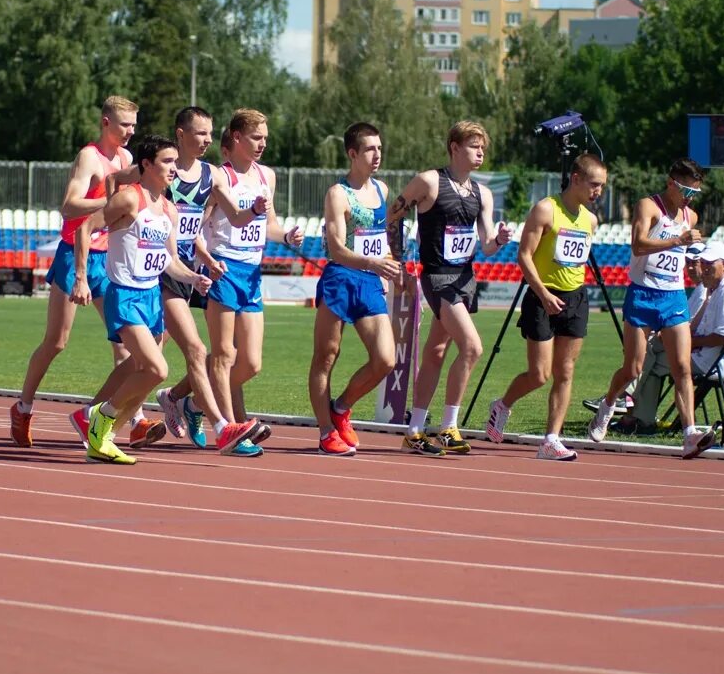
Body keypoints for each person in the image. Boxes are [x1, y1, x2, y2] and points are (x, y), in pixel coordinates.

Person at [74, 136, 222, 465]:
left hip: (151, 296)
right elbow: (85, 229)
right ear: (146, 165)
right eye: (167, 162)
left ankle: (101, 435)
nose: (173, 168)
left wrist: (193, 277)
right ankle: (101, 416)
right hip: (124, 294)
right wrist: (81, 277)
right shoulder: (129, 199)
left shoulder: (168, 207)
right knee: (157, 369)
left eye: (174, 162)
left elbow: (169, 260)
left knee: (143, 369)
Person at [11, 96, 140, 446]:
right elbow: (68, 206)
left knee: (126, 342)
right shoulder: (90, 157)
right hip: (75, 256)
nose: (130, 131)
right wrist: (111, 202)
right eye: (124, 124)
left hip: (109, 258)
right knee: (57, 341)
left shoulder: (127, 159)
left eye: (134, 125)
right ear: (106, 123)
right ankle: (23, 406)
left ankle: (135, 418)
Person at [150, 106, 268, 454]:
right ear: (181, 134)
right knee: (169, 355)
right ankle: (226, 428)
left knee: (159, 358)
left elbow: (231, 218)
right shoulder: (164, 174)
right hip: (158, 268)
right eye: (200, 133)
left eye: (209, 133)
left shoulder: (212, 175)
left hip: (188, 271)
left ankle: (169, 404)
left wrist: (257, 211)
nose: (206, 140)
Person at [394, 121, 514, 456]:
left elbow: (487, 245)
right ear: (454, 147)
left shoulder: (482, 193)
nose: (480, 153)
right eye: (474, 146)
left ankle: (415, 430)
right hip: (436, 277)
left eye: (483, 148)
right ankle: (448, 426)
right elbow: (394, 214)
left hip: (464, 279)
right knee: (473, 347)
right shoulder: (429, 181)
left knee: (435, 352)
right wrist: (399, 262)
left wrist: (499, 241)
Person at [482, 153, 609, 460]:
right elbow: (524, 256)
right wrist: (543, 293)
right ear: (576, 179)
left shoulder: (590, 220)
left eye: (603, 187)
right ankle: (502, 405)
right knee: (539, 374)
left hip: (575, 298)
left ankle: (551, 440)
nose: (598, 192)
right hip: (542, 297)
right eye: (594, 184)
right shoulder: (545, 210)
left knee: (565, 371)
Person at [587, 158, 716, 459]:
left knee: (682, 367)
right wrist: (676, 240)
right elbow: (638, 245)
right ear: (671, 182)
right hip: (643, 294)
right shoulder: (649, 206)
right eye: (686, 190)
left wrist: (693, 261)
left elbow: (683, 253)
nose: (689, 198)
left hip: (673, 297)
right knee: (633, 367)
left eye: (695, 193)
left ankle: (689, 434)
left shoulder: (690, 216)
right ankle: (607, 405)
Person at [202, 108, 305, 428]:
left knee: (252, 362)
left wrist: (286, 235)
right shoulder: (220, 176)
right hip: (223, 267)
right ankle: (232, 427)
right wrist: (204, 261)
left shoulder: (266, 176)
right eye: (256, 137)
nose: (262, 144)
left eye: (265, 138)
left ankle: (193, 399)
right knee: (224, 355)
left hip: (251, 272)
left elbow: (269, 226)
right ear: (237, 137)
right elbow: (197, 227)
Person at [307, 122, 401, 457]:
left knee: (385, 360)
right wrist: (375, 263)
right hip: (340, 280)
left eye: (379, 148)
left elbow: (382, 239)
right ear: (352, 154)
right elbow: (336, 249)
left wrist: (388, 261)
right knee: (326, 357)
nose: (377, 155)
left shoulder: (382, 191)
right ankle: (324, 432)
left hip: (370, 283)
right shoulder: (338, 193)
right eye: (370, 149)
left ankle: (342, 407)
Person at [628, 239, 724, 432]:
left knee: (650, 355)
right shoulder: (717, 288)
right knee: (651, 353)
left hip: (709, 362)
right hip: (704, 356)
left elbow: (723, 336)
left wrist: (690, 342)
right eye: (702, 263)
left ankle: (629, 404)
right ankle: (636, 413)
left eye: (709, 264)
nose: (703, 269)